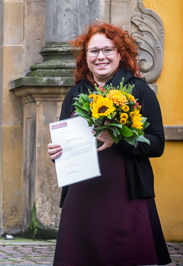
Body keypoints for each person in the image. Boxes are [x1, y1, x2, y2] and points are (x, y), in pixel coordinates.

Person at [47, 22, 171, 266]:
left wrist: (119, 140)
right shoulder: (74, 95)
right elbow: (65, 141)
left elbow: (157, 145)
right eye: (93, 51)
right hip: (82, 196)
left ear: (119, 54)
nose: (100, 57)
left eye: (108, 50)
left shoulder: (139, 91)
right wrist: (57, 152)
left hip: (126, 195)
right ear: (85, 57)